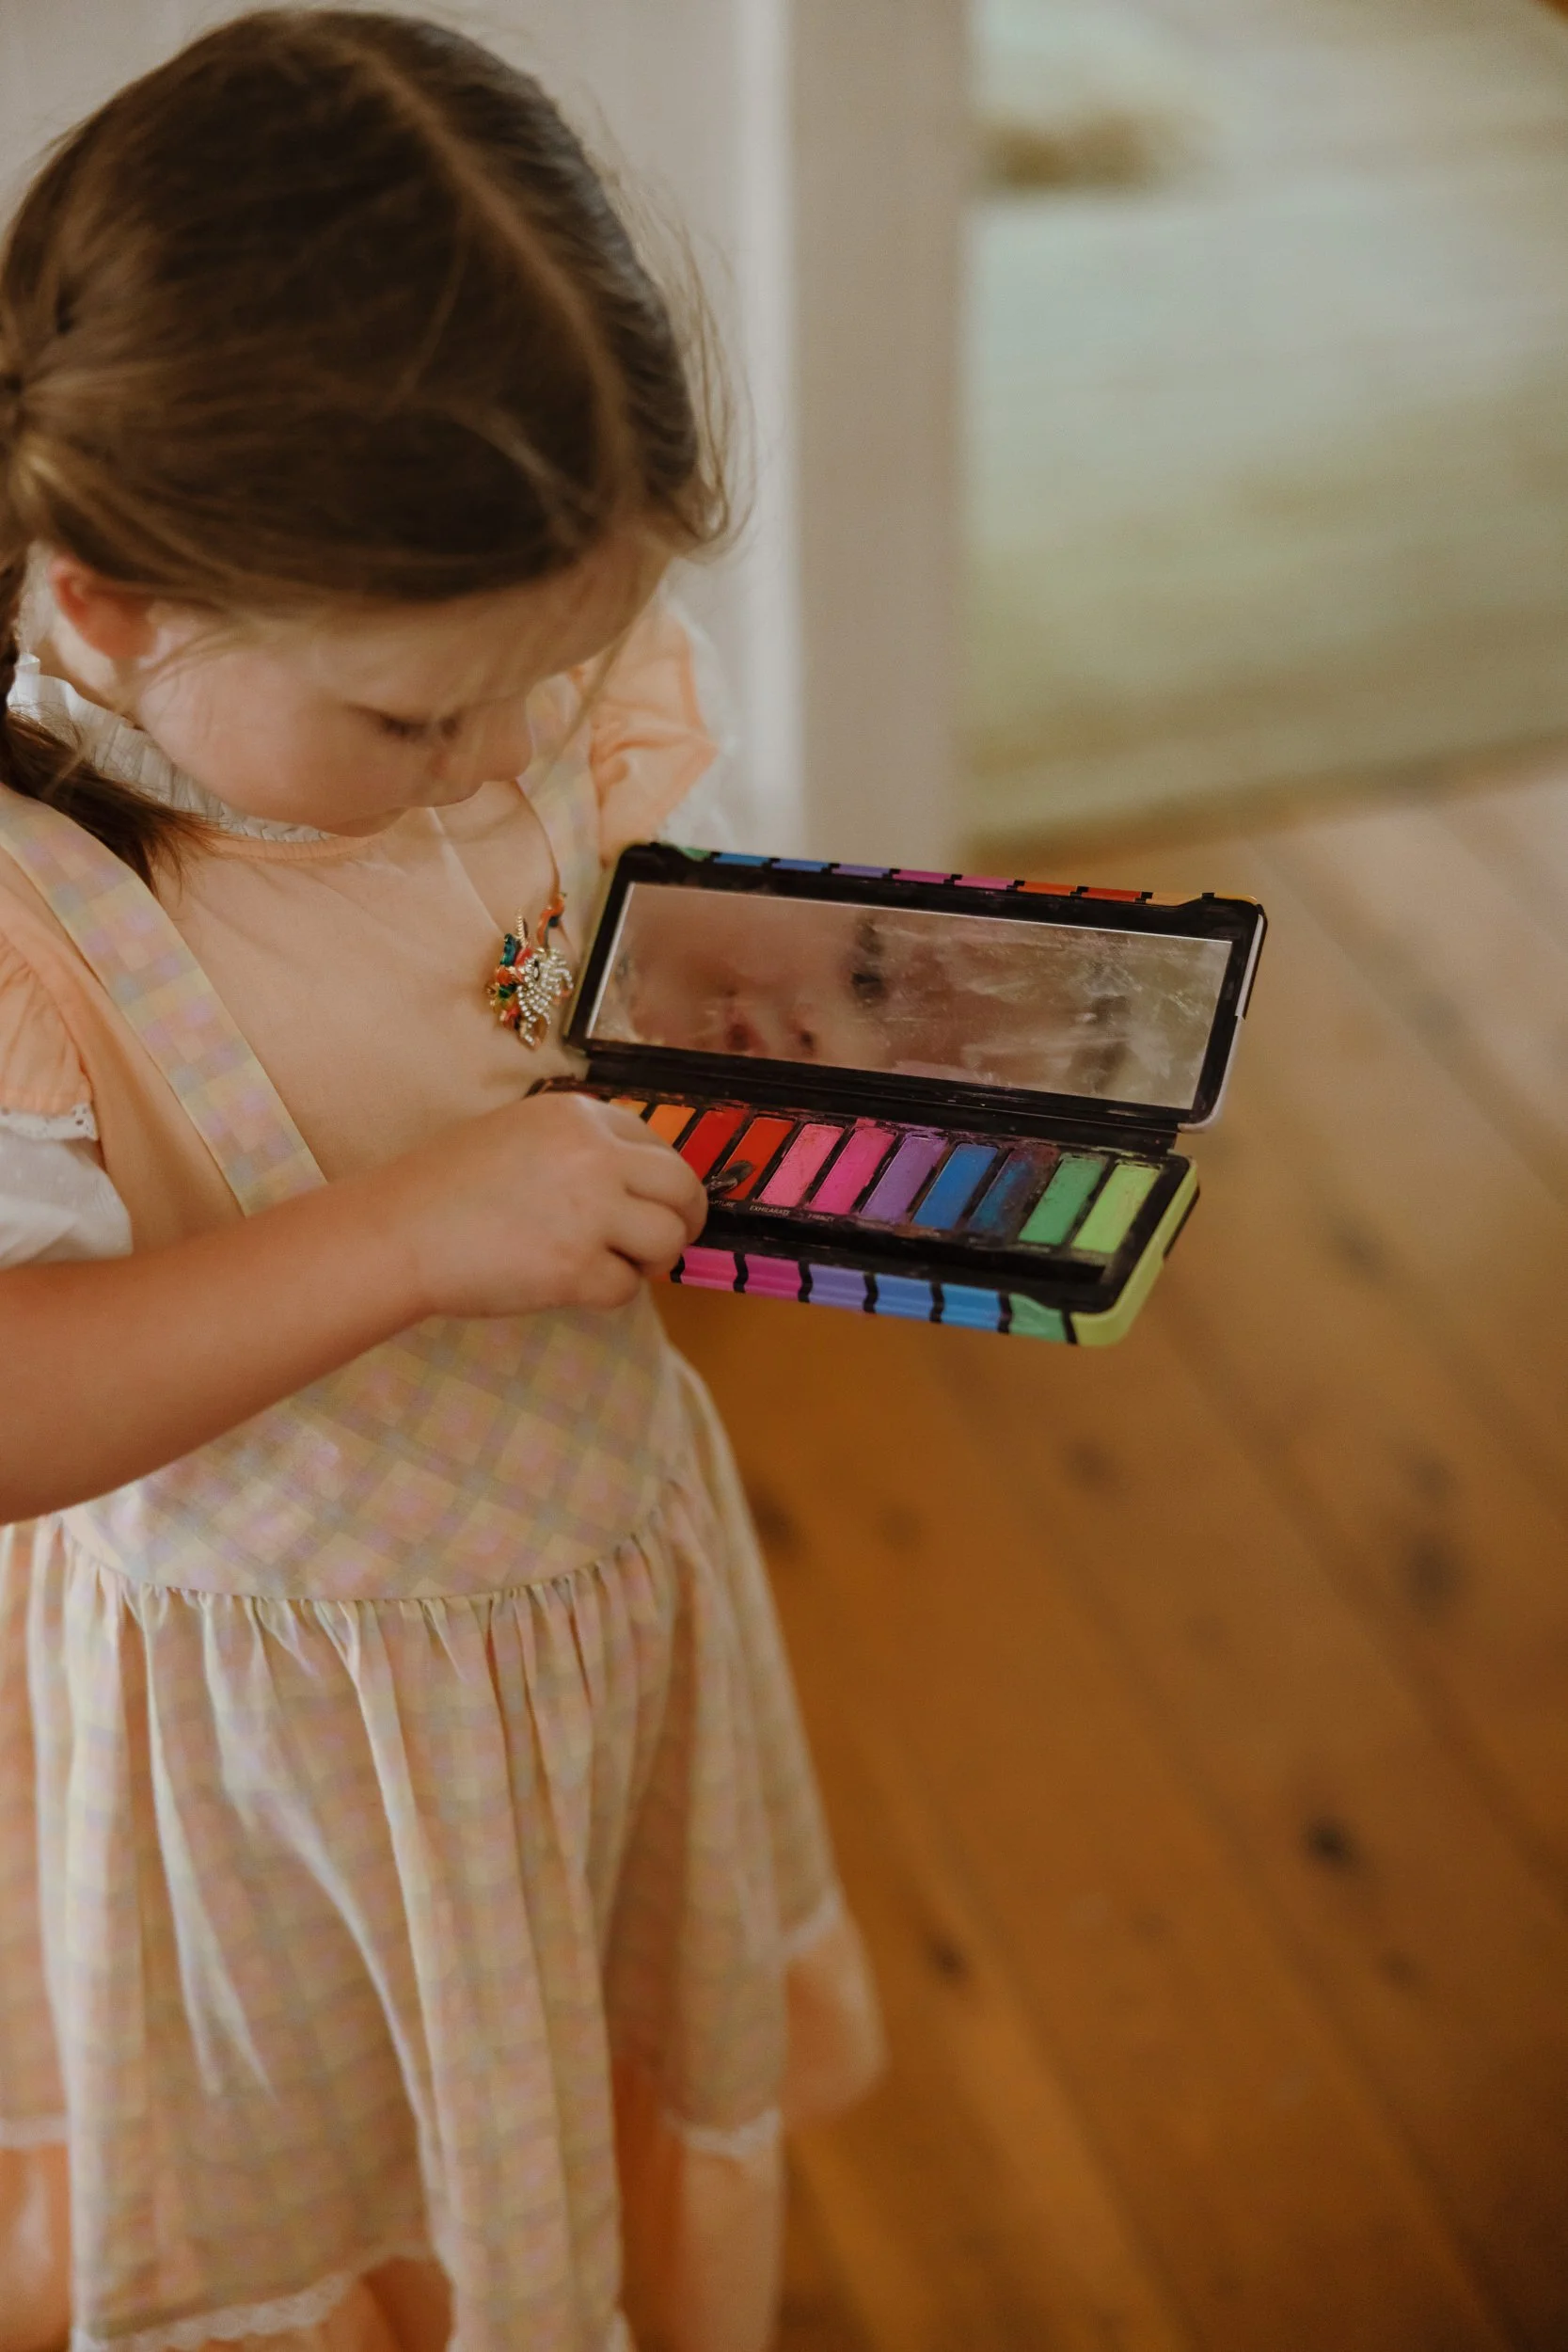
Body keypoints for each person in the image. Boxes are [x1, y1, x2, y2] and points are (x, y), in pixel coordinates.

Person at [0, 15, 881, 2351]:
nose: (496, 755)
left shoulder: (511, 692)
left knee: (572, 2118)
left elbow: (564, 950)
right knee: (352, 2199)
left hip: (594, 1612)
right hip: (285, 1757)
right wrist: (403, 1237)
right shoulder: (36, 930)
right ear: (105, 607)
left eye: (556, 671)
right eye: (414, 719)